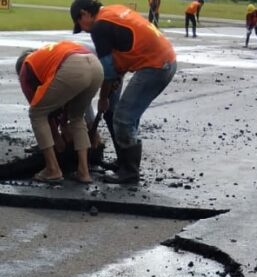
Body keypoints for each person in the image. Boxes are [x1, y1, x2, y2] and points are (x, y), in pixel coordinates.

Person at [71, 0, 178, 184]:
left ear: (84, 14)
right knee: (120, 114)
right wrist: (110, 100)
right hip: (166, 59)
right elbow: (124, 48)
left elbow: (108, 73)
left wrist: (103, 99)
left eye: (80, 25)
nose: (84, 31)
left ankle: (129, 172)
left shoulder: (99, 27)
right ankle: (124, 161)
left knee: (123, 118)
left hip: (155, 66)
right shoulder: (114, 10)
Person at [16, 41, 104, 184]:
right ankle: (84, 172)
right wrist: (62, 126)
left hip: (74, 67)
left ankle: (52, 169)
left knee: (36, 113)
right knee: (76, 117)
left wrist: (56, 136)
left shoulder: (26, 68)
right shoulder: (47, 57)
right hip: (95, 66)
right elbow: (65, 100)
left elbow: (40, 110)